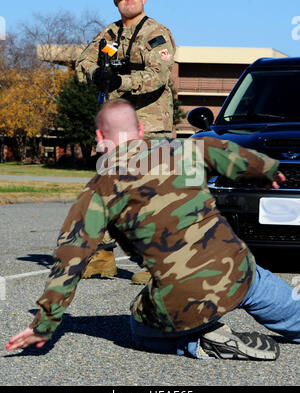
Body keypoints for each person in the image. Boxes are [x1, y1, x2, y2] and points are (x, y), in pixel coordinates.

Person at [6, 99, 300, 360]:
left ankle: (199, 343)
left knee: (139, 328)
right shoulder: (185, 150)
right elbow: (229, 152)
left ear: (99, 137)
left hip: (184, 297)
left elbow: (70, 260)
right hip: (239, 273)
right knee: (272, 293)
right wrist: (269, 170)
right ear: (141, 131)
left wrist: (44, 325)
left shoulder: (99, 190)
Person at [75, 0, 176, 284]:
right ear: (116, 1)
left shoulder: (156, 34)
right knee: (104, 191)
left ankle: (156, 263)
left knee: (149, 195)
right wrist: (98, 75)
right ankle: (103, 257)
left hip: (151, 126)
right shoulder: (109, 34)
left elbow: (159, 75)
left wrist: (121, 81)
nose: (128, 0)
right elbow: (82, 63)